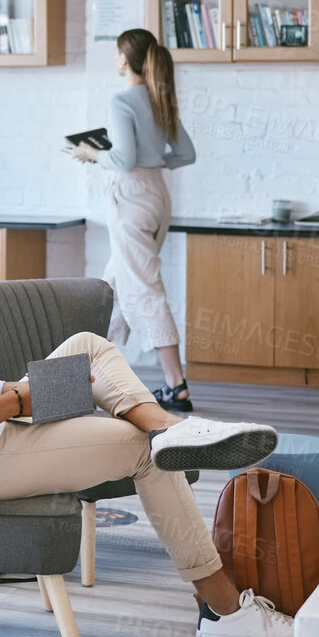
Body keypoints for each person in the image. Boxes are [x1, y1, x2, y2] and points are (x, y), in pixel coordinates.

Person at [0, 170, 294, 637]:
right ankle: (223, 610)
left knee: (89, 346)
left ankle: (169, 426)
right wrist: (17, 401)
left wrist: (19, 390)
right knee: (144, 451)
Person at [72, 28, 198, 412]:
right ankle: (88, 373)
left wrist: (92, 154)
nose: (114, 59)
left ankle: (176, 385)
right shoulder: (161, 98)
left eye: (115, 53)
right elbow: (186, 153)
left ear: (124, 59)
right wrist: (154, 162)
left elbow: (123, 160)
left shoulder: (123, 100)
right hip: (158, 195)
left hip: (132, 199)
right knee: (115, 283)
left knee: (143, 288)